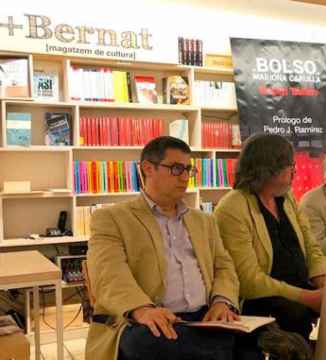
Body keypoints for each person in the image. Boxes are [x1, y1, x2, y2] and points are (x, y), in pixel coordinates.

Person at [86, 136, 257, 360]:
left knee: (249, 334)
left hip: (203, 318)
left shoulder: (204, 221)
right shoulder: (111, 218)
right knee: (146, 342)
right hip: (148, 318)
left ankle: (218, 347)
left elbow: (224, 267)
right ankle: (221, 349)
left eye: (188, 169)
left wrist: (222, 301)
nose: (185, 177)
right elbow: (109, 274)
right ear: (148, 169)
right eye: (176, 169)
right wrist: (142, 310)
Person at [214, 133, 326, 344]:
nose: (294, 171)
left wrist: (324, 282)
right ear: (268, 168)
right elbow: (249, 280)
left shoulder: (286, 198)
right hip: (261, 299)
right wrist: (308, 297)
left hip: (301, 289)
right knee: (296, 314)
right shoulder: (232, 207)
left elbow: (312, 247)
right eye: (289, 165)